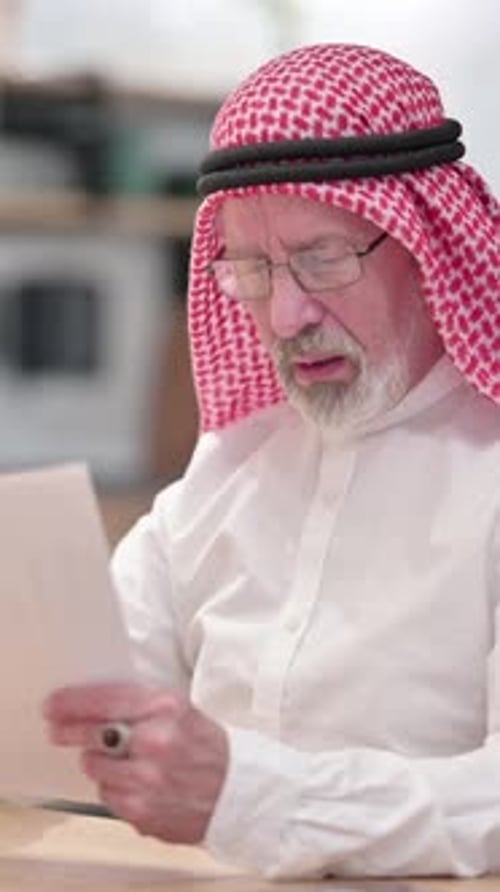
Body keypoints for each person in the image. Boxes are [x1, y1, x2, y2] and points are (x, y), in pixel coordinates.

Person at [44, 43, 500, 879]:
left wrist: (249, 795)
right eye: (252, 269)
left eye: (323, 258)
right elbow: (88, 704)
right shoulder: (230, 467)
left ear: (425, 243)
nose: (286, 314)